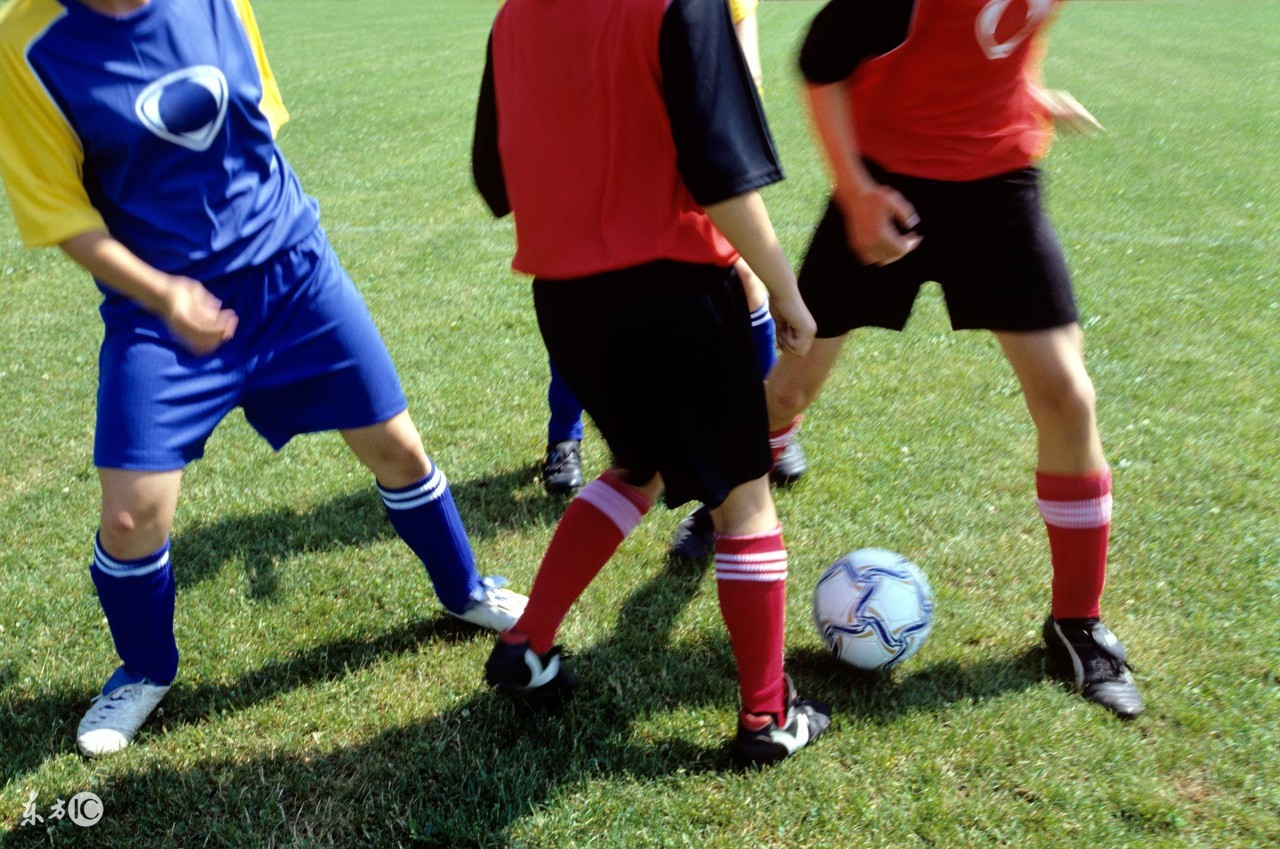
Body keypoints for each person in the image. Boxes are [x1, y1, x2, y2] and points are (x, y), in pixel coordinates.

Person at [0, 0, 527, 757]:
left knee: (398, 449)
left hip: (293, 275)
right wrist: (168, 292)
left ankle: (465, 589)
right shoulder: (27, 44)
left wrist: (260, 243)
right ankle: (145, 667)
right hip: (160, 313)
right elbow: (63, 214)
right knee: (129, 516)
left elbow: (258, 120)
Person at [473, 0, 831, 766]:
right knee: (745, 498)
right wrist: (784, 287)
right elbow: (721, 175)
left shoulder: (513, 17)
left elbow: (492, 178)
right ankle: (768, 715)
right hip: (675, 294)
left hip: (567, 301)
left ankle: (526, 644)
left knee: (640, 464)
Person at [766, 0, 1143, 718]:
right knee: (789, 385)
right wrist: (855, 192)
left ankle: (1077, 623)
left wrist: (1024, 94)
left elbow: (1000, 40)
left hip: (999, 186)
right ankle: (748, 477)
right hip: (885, 182)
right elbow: (821, 64)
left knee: (1068, 394)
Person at [536, 0, 806, 506]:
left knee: (744, 280)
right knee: (581, 277)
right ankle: (564, 438)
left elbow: (745, 77)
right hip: (612, 159)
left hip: (694, 161)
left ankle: (768, 431)